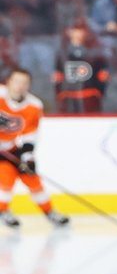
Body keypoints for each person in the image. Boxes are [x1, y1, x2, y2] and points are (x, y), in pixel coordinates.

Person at [0, 68, 70, 229]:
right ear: (8, 82)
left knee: (32, 177)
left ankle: (49, 212)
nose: (20, 86)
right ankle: (2, 211)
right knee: (6, 179)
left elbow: (29, 135)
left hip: (10, 148)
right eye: (17, 81)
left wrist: (27, 157)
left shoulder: (34, 105)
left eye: (24, 83)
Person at [53, 25, 109, 113]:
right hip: (68, 96)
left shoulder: (96, 53)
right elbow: (58, 77)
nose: (78, 34)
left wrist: (99, 92)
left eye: (81, 30)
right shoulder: (62, 54)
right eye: (75, 30)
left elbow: (102, 77)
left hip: (90, 96)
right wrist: (60, 95)